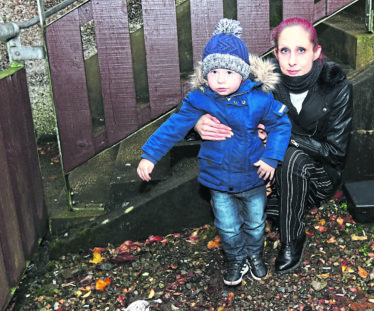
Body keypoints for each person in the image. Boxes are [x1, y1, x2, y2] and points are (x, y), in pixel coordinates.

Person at [137, 18, 291, 285]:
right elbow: (173, 127)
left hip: (253, 176)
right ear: (204, 75)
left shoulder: (260, 99)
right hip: (218, 179)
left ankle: (254, 255)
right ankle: (236, 258)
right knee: (228, 228)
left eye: (229, 73)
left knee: (255, 225)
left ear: (242, 74)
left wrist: (271, 157)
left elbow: (280, 125)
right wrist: (150, 155)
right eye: (214, 72)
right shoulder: (200, 100)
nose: (220, 79)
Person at [194, 17, 353, 274]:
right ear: (275, 53)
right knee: (245, 201)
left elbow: (335, 151)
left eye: (301, 50)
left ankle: (293, 239)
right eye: (285, 51)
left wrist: (287, 137)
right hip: (270, 177)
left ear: (316, 52)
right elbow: (208, 97)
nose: (292, 60)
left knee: (291, 157)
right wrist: (199, 121)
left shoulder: (337, 88)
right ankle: (276, 216)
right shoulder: (263, 85)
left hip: (319, 176)